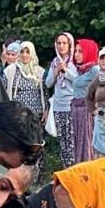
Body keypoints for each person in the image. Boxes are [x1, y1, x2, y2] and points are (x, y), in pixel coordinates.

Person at [45, 32, 77, 167]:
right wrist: (56, 71)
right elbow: (48, 83)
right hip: (58, 106)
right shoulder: (55, 61)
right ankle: (65, 169)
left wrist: (66, 71)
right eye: (59, 43)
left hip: (71, 105)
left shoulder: (75, 61)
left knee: (71, 142)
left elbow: (78, 82)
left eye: (64, 43)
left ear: (70, 45)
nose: (61, 46)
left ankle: (73, 169)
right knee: (62, 141)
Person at [71, 38, 100, 164]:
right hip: (77, 112)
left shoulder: (94, 69)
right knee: (79, 144)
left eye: (81, 51)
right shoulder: (81, 70)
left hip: (86, 112)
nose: (76, 54)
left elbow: (104, 86)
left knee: (87, 144)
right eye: (76, 51)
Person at [4, 41, 46, 121]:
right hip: (16, 115)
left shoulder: (39, 71)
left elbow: (45, 93)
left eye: (27, 52)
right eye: (22, 52)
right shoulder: (10, 70)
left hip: (36, 115)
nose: (24, 55)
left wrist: (46, 110)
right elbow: (3, 91)